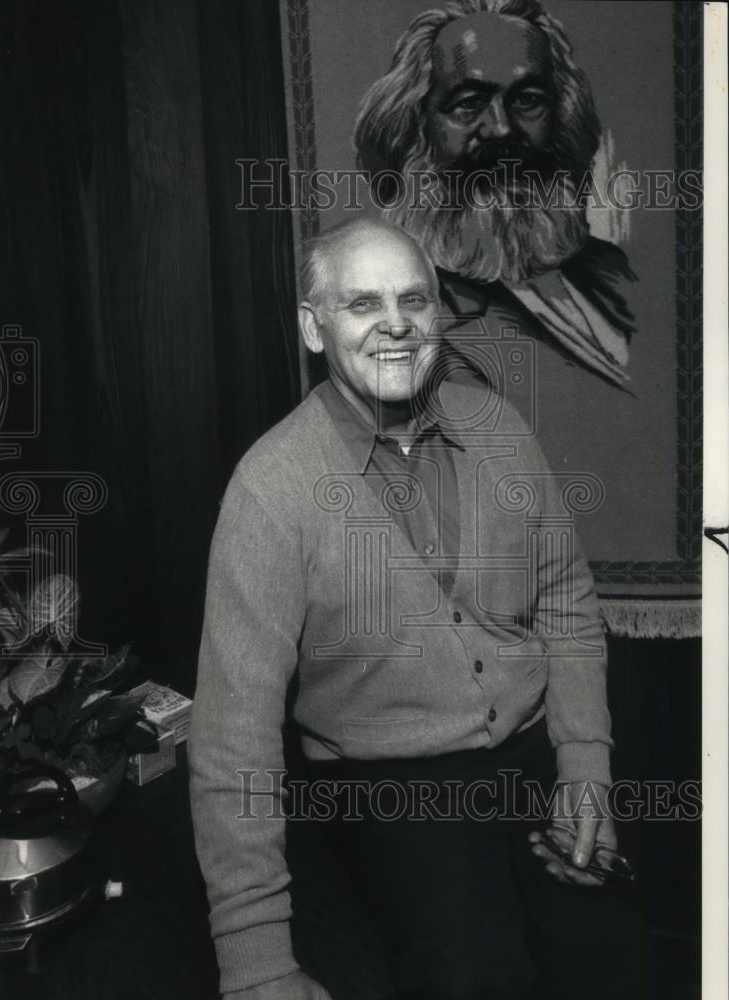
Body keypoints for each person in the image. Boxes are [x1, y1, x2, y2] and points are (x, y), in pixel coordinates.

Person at [189, 218, 645, 999]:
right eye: (362, 303)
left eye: (413, 299)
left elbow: (566, 605)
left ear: (438, 315)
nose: (395, 323)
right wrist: (255, 960)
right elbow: (234, 738)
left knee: (611, 955)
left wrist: (585, 769)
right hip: (391, 786)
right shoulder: (270, 488)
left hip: (532, 749)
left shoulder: (499, 429)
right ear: (312, 326)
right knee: (476, 978)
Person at [353, 0, 637, 391]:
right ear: (418, 128)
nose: (502, 128)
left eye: (528, 100)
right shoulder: (407, 322)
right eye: (469, 104)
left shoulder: (616, 271)